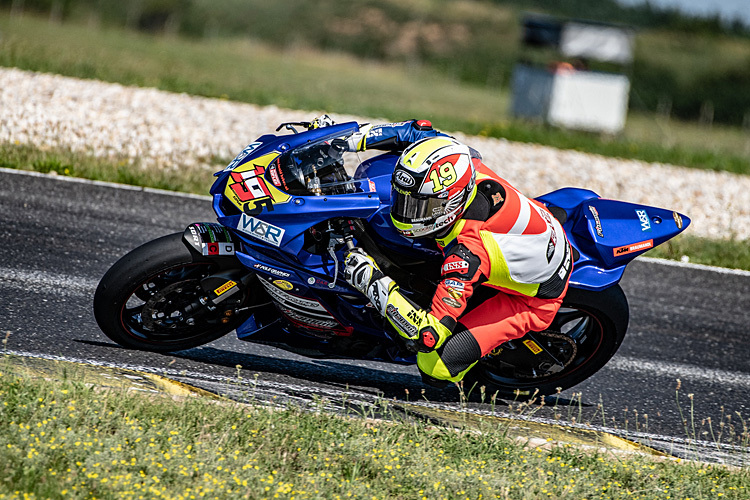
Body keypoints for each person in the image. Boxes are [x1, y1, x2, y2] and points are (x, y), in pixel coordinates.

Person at [336, 117, 573, 387]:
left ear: (452, 203)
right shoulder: (459, 159)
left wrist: (371, 282)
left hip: (533, 300)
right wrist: (348, 139)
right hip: (530, 231)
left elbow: (428, 333)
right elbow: (415, 132)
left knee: (433, 366)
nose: (405, 211)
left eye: (419, 207)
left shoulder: (468, 253)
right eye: (405, 199)